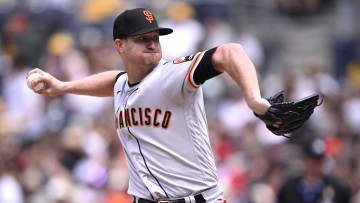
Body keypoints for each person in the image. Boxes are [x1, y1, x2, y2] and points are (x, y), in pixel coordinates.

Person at [27, 8, 275, 203]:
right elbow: (113, 80)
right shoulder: (122, 84)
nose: (153, 44)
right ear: (119, 45)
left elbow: (230, 52)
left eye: (155, 38)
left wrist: (254, 99)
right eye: (142, 38)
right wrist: (62, 86)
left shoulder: (172, 75)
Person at [277, 138, 351, 203]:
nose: (316, 165)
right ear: (305, 160)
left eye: (320, 161)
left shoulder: (336, 188)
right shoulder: (289, 188)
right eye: (313, 161)